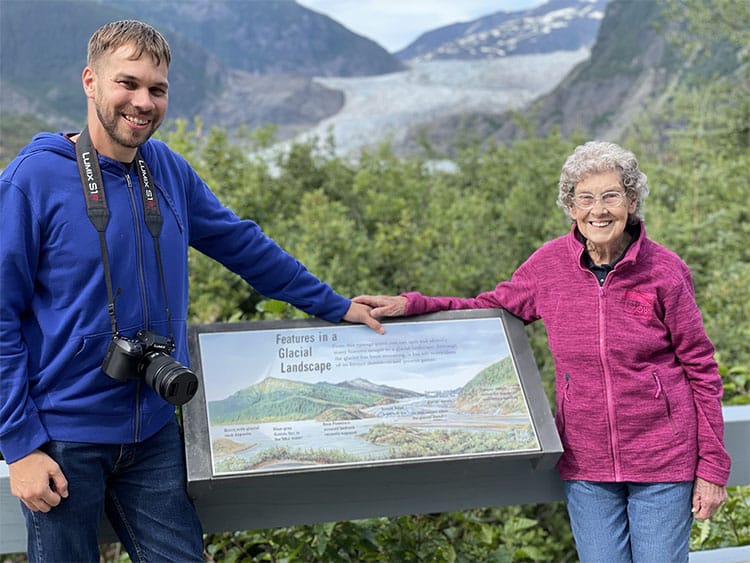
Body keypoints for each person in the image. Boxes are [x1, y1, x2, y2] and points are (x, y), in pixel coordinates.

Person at [0, 19, 383, 562]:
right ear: (90, 81)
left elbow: (245, 247)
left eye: (157, 90)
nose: (143, 101)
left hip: (154, 425)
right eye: (127, 83)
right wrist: (20, 446)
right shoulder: (33, 179)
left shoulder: (169, 172)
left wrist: (336, 305)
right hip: (63, 440)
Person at [354, 141, 731, 562]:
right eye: (585, 198)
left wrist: (712, 469)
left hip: (663, 461)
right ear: (571, 207)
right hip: (586, 464)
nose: (598, 209)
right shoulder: (549, 267)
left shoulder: (665, 271)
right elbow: (489, 308)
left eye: (611, 195)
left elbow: (702, 371)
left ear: (632, 200)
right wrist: (415, 305)